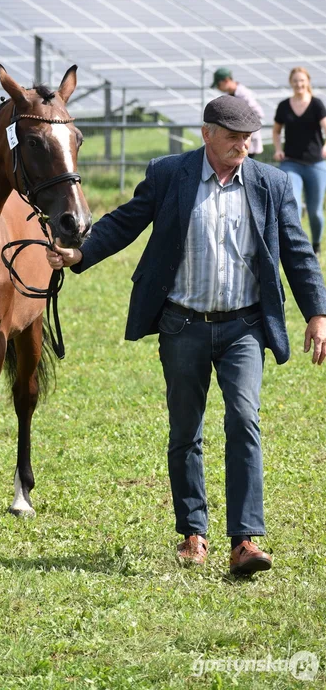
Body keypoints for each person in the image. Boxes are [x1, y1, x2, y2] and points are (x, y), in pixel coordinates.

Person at [46, 95, 326, 576]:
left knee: (244, 421)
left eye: (248, 136)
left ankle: (245, 540)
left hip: (244, 326)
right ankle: (193, 533)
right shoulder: (169, 174)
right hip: (182, 324)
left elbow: (297, 253)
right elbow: (125, 222)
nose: (244, 144)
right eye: (234, 135)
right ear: (207, 134)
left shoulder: (271, 184)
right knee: (185, 432)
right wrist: (80, 254)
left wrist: (318, 313)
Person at [273, 66, 326, 257]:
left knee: (315, 212)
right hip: (291, 163)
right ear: (291, 82)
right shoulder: (284, 106)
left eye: (302, 80)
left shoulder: (317, 104)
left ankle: (316, 244)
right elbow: (277, 131)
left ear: (308, 82)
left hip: (316, 163)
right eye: (295, 80)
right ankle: (295, 246)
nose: (299, 84)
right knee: (291, 203)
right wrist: (278, 149)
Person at [211, 67, 264, 158]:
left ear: (226, 80)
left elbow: (258, 113)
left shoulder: (243, 94)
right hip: (236, 139)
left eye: (219, 85)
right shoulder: (229, 95)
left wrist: (241, 122)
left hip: (247, 140)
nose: (218, 88)